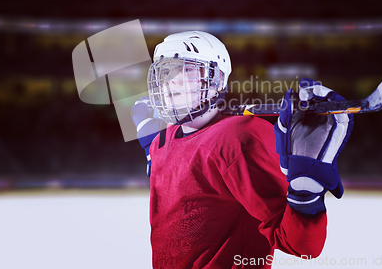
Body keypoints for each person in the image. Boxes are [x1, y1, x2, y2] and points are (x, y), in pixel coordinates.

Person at [131, 31, 354, 269]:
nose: (170, 81)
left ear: (215, 79)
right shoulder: (164, 139)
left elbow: (303, 245)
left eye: (185, 69)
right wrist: (151, 143)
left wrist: (305, 192)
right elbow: (182, 174)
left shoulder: (239, 137)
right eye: (165, 71)